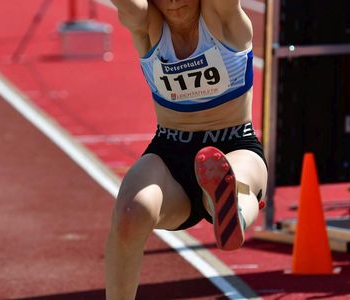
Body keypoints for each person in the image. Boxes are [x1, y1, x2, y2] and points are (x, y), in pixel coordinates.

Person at [106, 0, 268, 298]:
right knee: (131, 214)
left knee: (236, 176)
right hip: (170, 152)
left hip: (234, 143)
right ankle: (221, 202)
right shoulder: (148, 27)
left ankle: (230, 212)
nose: (173, 2)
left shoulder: (222, 17)